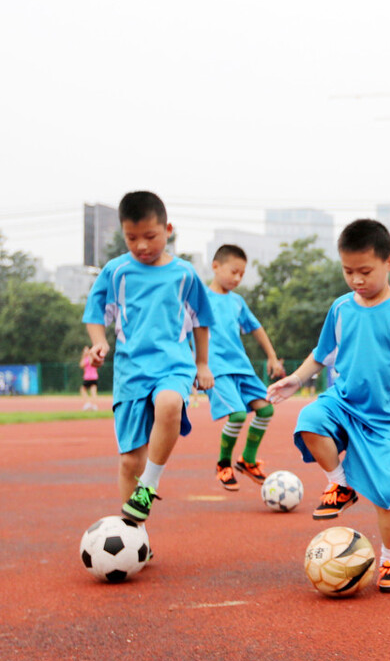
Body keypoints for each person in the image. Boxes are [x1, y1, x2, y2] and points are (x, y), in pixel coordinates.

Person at [267, 219, 390, 594]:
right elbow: (322, 355)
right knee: (309, 420)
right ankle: (340, 484)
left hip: (382, 419)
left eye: (365, 271)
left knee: (386, 496)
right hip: (341, 402)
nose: (356, 280)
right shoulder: (341, 308)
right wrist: (295, 380)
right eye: (348, 271)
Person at [82, 191, 215, 525]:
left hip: (173, 365)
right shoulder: (116, 271)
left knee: (170, 403)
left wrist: (202, 363)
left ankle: (150, 485)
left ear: (167, 229)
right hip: (131, 372)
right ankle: (135, 534)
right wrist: (99, 343)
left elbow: (201, 321)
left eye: (150, 237)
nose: (141, 246)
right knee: (130, 461)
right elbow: (95, 314)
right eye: (131, 238)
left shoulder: (185, 274)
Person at [205, 244, 286, 491]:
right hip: (216, 368)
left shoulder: (237, 302)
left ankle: (248, 460)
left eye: (242, 274)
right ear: (216, 267)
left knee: (265, 410)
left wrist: (272, 356)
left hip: (242, 367)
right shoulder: (201, 299)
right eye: (234, 272)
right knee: (238, 414)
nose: (238, 278)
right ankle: (223, 464)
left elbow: (256, 328)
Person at [79, 346, 100, 410]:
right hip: (94, 377)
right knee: (93, 392)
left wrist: (84, 357)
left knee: (83, 390)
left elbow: (81, 365)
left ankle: (88, 404)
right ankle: (94, 406)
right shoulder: (93, 358)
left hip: (88, 378)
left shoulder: (87, 359)